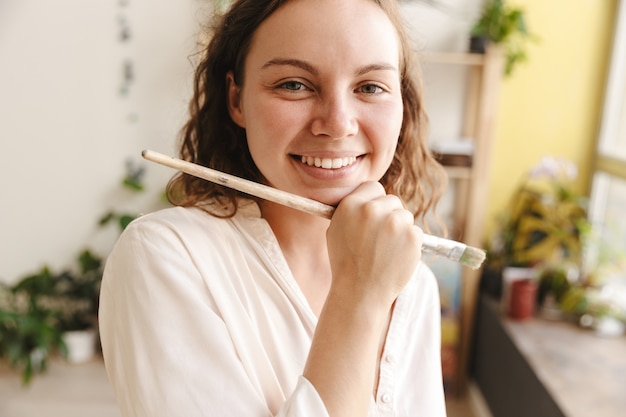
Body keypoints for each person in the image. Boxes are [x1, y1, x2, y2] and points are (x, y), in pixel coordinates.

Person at [99, 0, 449, 416]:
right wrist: (359, 297)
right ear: (237, 100)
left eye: (370, 87)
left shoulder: (415, 283)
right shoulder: (166, 256)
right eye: (294, 84)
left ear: (401, 104)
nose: (337, 123)